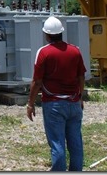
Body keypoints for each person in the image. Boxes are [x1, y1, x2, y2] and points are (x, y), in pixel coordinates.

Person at [26, 16, 86, 171]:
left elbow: (37, 82)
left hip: (54, 104)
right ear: (61, 33)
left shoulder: (44, 53)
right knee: (75, 143)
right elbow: (81, 76)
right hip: (74, 103)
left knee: (57, 143)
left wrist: (30, 104)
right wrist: (80, 97)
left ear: (46, 34)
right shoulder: (75, 51)